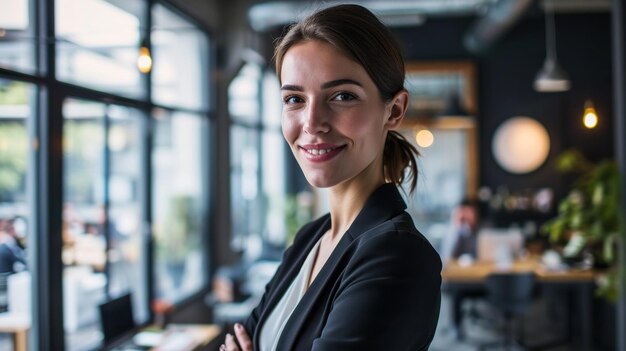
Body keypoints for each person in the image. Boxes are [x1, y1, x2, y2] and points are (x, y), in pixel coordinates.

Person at [220, 4, 442, 351]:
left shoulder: (397, 255)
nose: (311, 123)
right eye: (294, 98)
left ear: (394, 110)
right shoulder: (311, 238)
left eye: (342, 96)